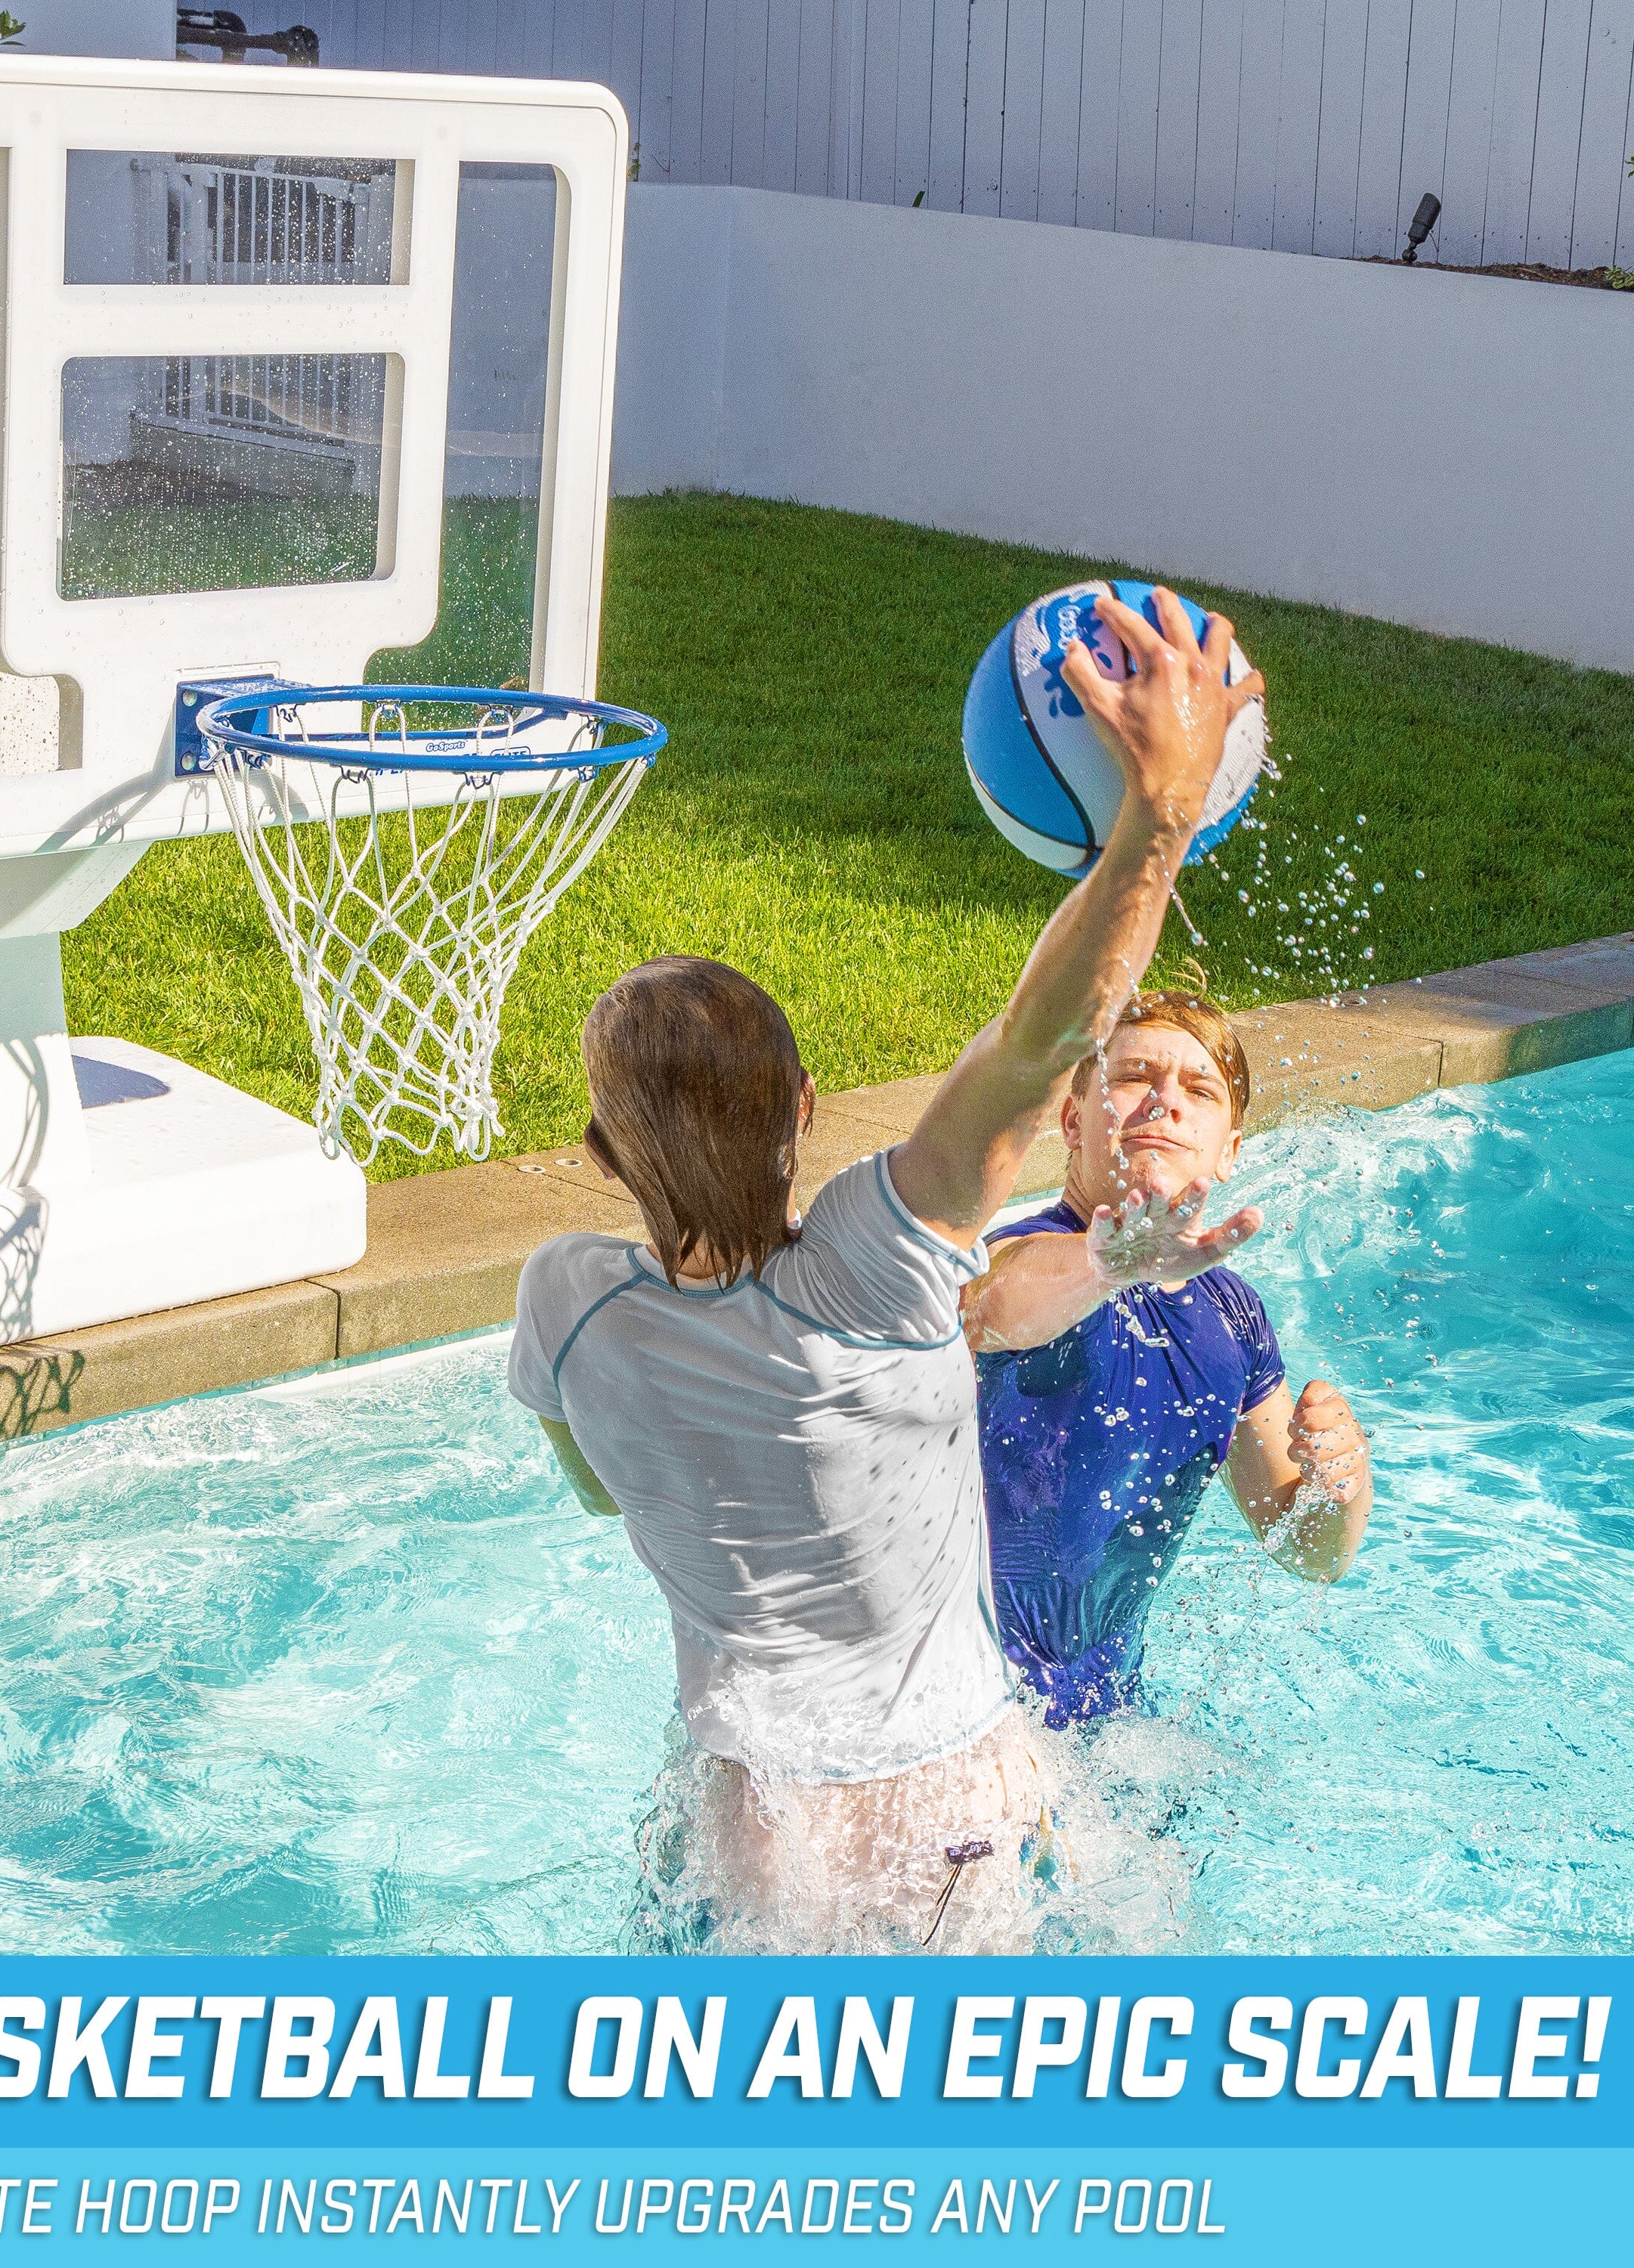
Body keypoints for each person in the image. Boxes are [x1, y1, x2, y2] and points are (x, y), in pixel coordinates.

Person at [506, 587, 1263, 1946]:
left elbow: (597, 1491)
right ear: (806, 1108)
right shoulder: (876, 1256)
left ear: (601, 1156)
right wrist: (1158, 813)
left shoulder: (564, 1305)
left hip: (745, 1830)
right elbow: (1042, 1042)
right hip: (948, 1815)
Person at [961, 991, 1372, 1728]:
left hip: (1113, 1725)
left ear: (1231, 1149)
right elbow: (987, 1306)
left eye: (1199, 1090)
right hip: (962, 1716)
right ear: (1073, 1120)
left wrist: (1339, 1488)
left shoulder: (1236, 1319)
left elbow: (1308, 1554)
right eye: (1134, 1077)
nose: (1165, 1101)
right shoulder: (1019, 1254)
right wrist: (1108, 1265)